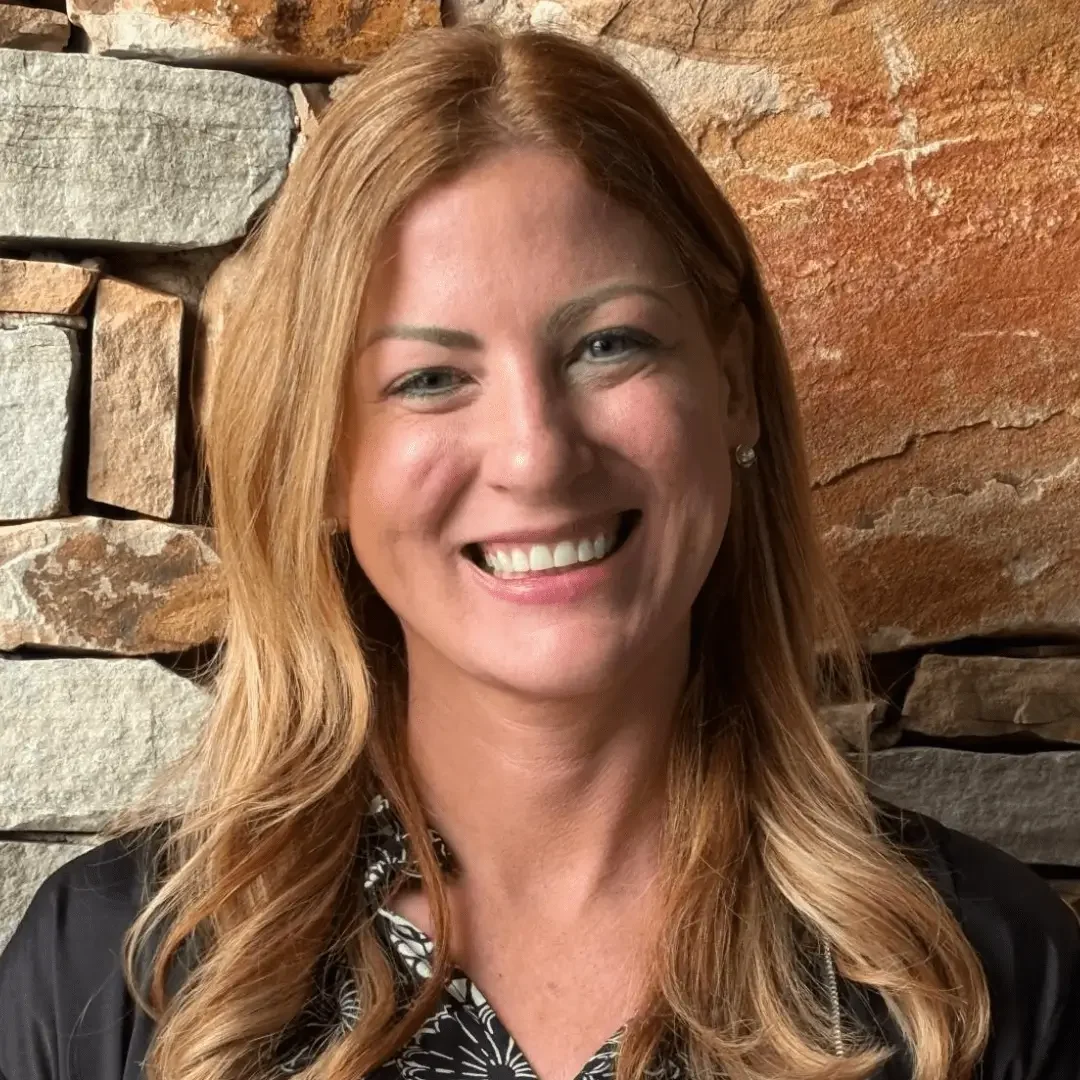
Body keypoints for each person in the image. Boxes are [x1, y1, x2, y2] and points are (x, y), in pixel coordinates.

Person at [1, 21, 1077, 1080]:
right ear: (322, 459)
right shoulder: (112, 973)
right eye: (429, 379)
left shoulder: (975, 978)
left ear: (735, 382)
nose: (536, 455)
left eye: (608, 344)